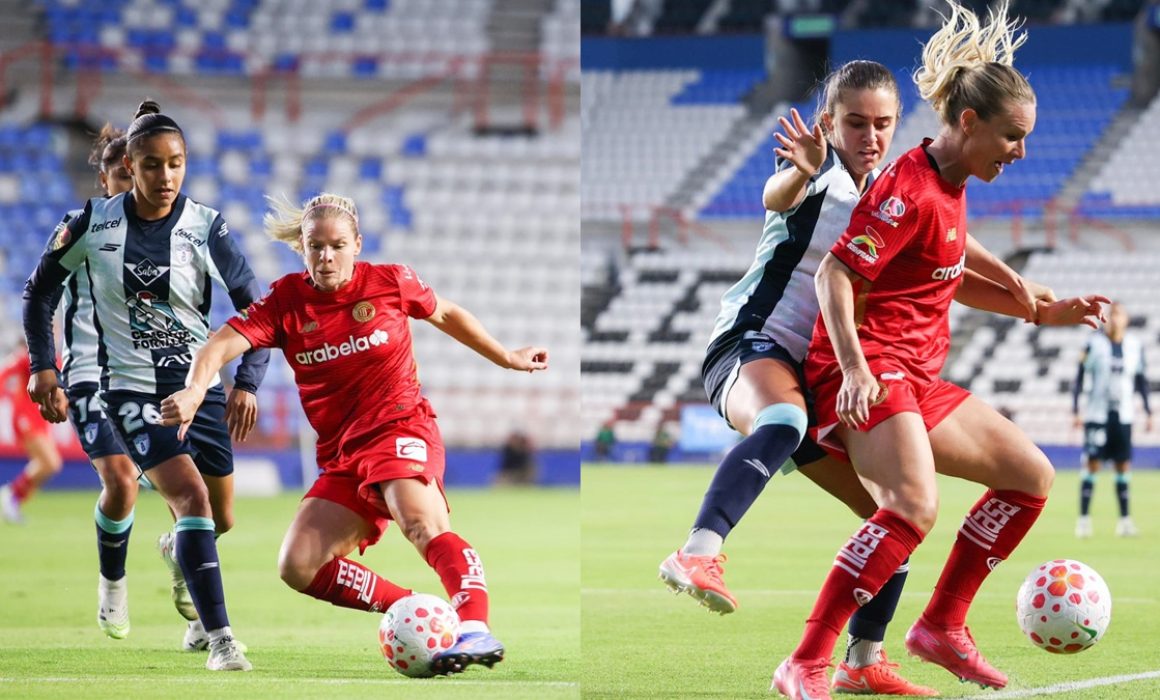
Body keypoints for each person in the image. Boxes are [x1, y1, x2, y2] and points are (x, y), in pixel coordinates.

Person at [660, 59, 1051, 695]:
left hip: (819, 371)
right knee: (783, 421)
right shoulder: (822, 177)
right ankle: (700, 549)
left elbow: (950, 248)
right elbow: (775, 198)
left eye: (883, 124)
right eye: (855, 123)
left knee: (889, 518)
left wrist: (1018, 287)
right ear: (828, 124)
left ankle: (864, 659)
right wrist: (798, 170)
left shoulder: (894, 188)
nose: (870, 136)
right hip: (756, 344)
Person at [771, 3, 1109, 698]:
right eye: (1012, 138)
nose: (1020, 153)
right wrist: (859, 370)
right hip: (864, 370)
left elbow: (945, 280)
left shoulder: (950, 185)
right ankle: (805, 660)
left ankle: (941, 628)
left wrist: (1041, 307)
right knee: (911, 507)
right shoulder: (909, 191)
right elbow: (837, 272)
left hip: (916, 376)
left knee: (1029, 476)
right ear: (968, 123)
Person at [159, 192, 549, 675]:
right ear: (301, 247)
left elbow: (446, 313)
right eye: (315, 246)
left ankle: (474, 626)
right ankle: (417, 609)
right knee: (297, 565)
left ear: (357, 244)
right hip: (343, 455)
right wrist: (197, 390)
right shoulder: (286, 301)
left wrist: (505, 356)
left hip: (401, 426)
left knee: (421, 524)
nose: (326, 257)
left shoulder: (390, 282)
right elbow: (220, 345)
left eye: (337, 246)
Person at [24, 100, 269, 671]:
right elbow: (39, 293)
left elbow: (258, 310)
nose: (166, 176)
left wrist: (246, 383)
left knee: (219, 517)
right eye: (153, 165)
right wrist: (44, 364)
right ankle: (220, 638)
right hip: (129, 391)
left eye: (176, 164)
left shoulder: (206, 227)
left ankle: (177, 551)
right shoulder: (88, 224)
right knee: (191, 498)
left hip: (198, 388)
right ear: (130, 167)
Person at [1072, 301, 1151, 538]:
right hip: (1097, 414)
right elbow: (1079, 377)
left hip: (1124, 415)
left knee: (1123, 465)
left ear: (1126, 319)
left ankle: (1125, 521)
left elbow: (1141, 380)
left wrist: (1148, 411)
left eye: (1120, 315)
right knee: (1092, 464)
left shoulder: (1135, 346)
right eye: (1112, 315)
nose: (1116, 319)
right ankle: (1084, 521)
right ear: (1106, 319)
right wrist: (1076, 410)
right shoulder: (1093, 344)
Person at [0, 339, 63, 524]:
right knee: (49, 462)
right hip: (25, 418)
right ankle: (12, 494)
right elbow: (4, 373)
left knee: (51, 465)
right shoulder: (27, 357)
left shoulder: (56, 359)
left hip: (41, 419)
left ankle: (13, 496)